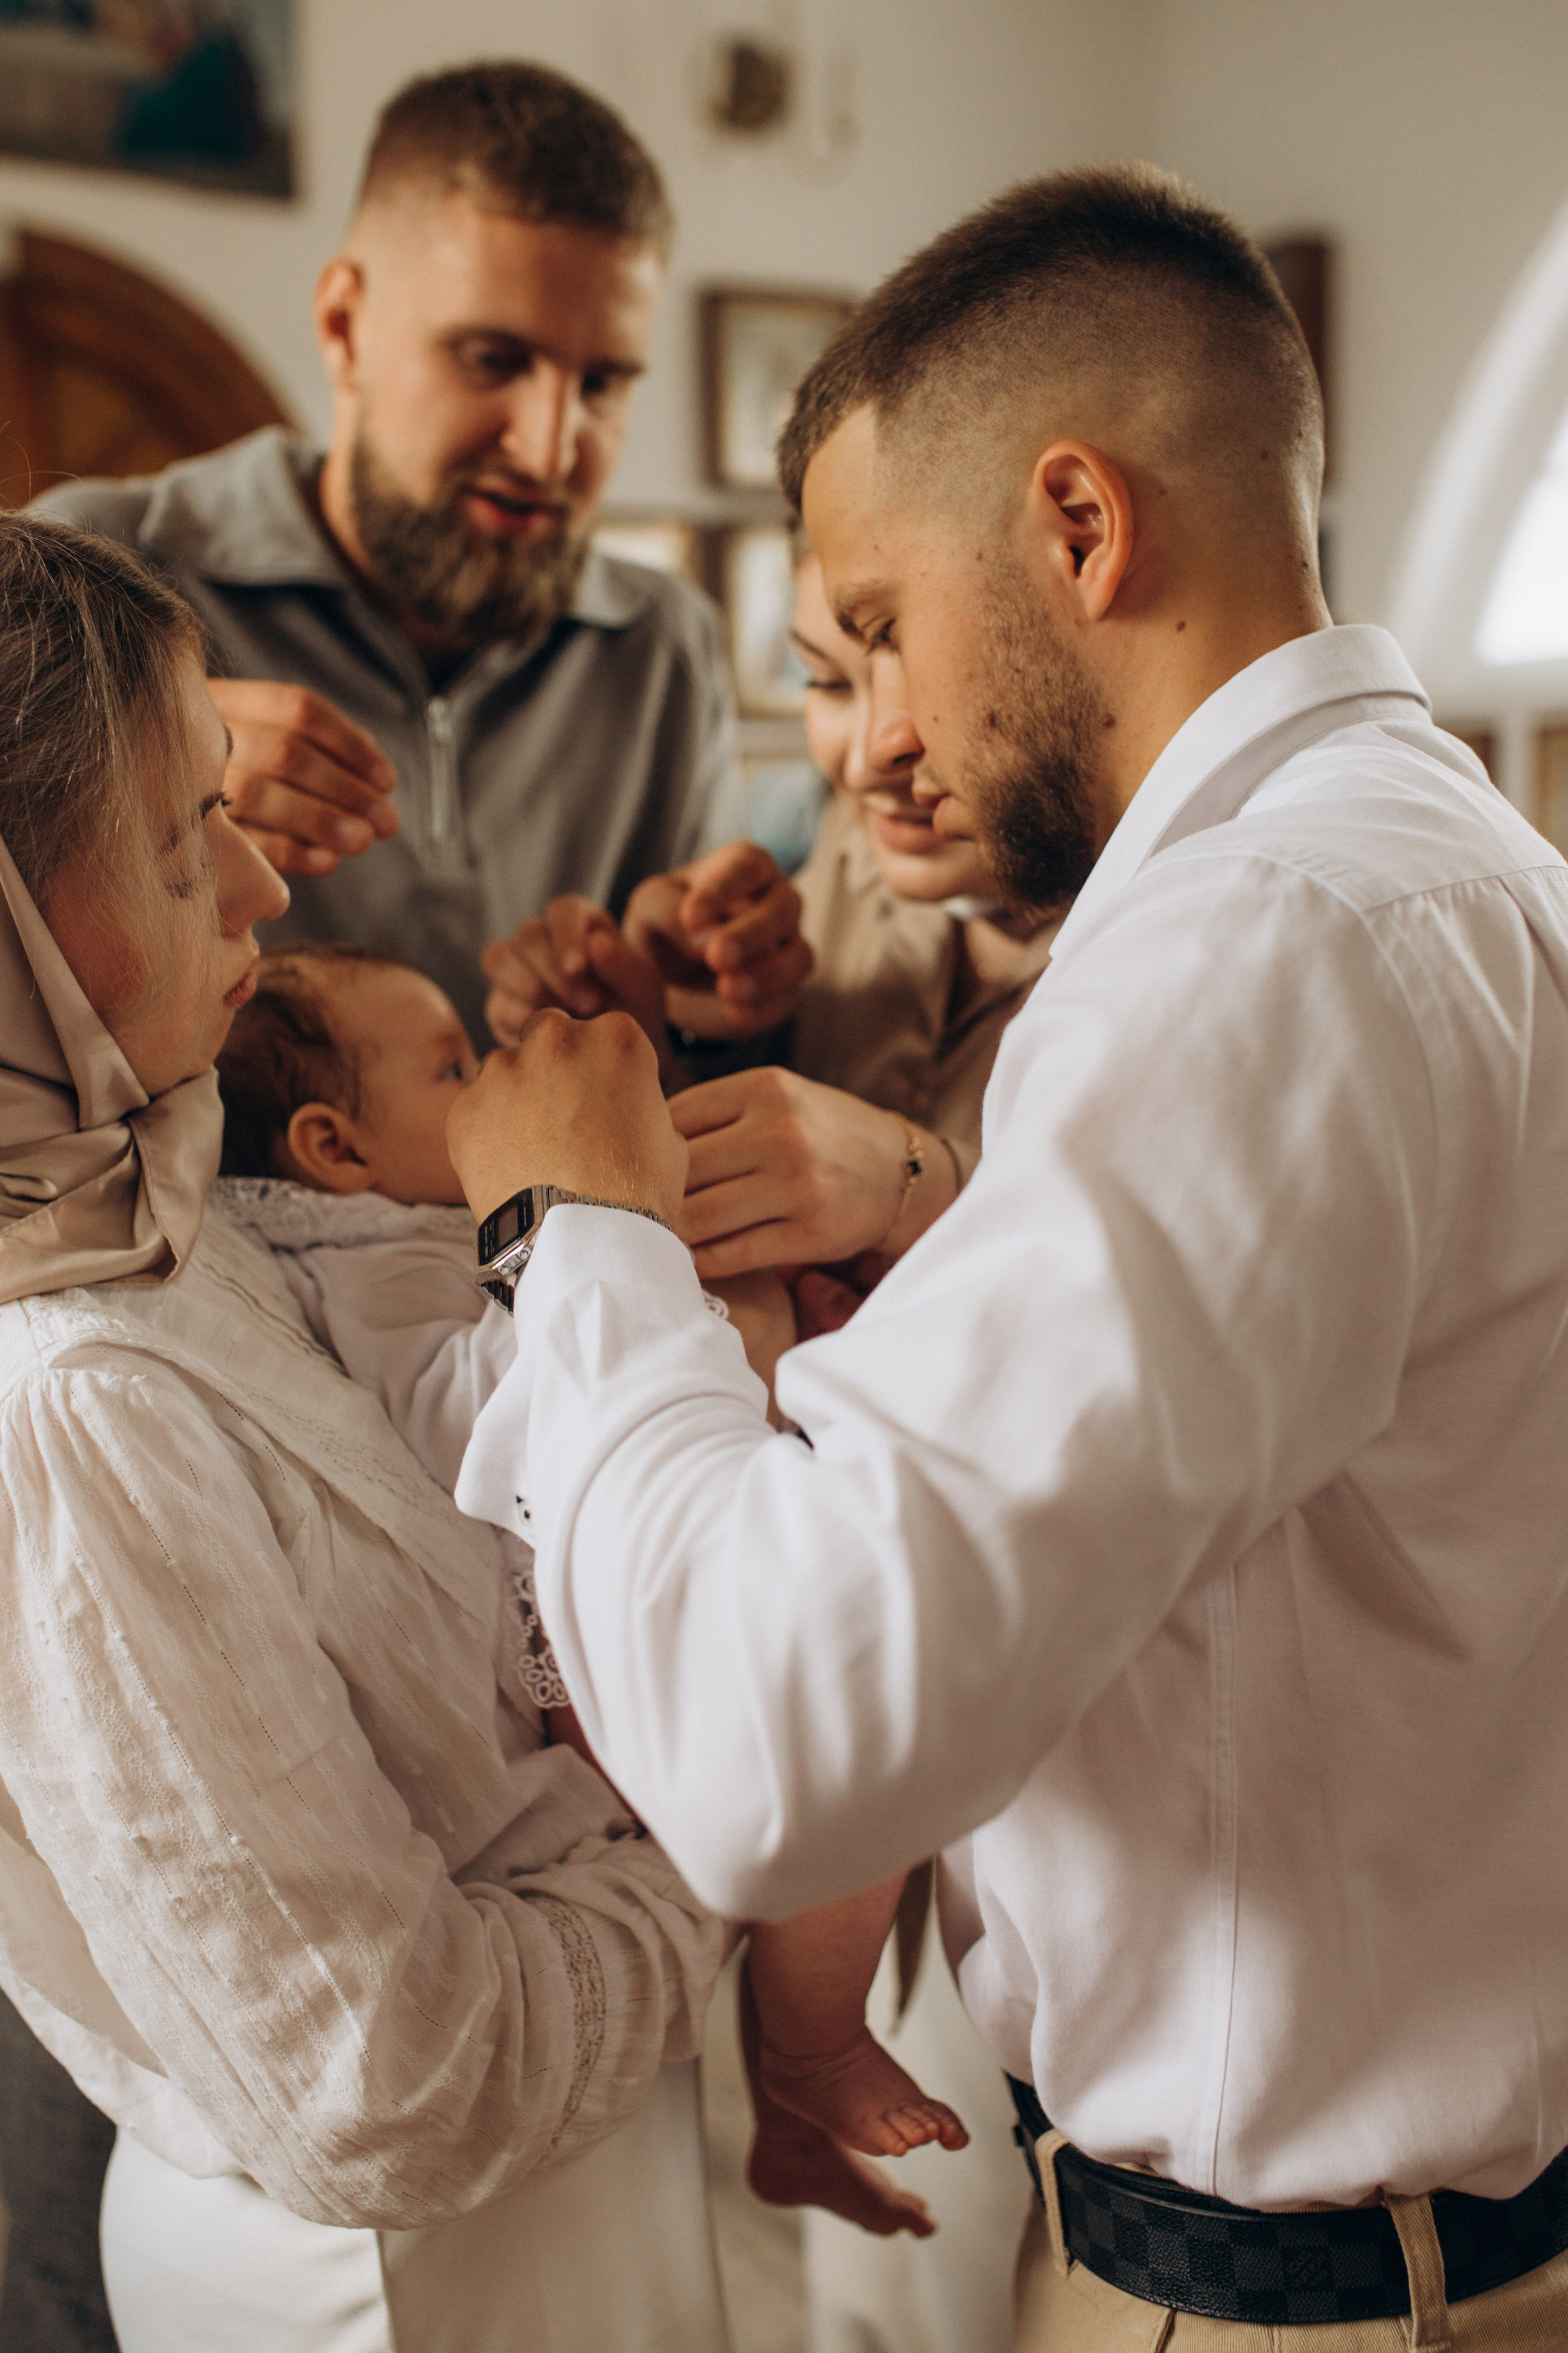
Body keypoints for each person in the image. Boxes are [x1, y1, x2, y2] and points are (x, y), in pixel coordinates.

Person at [443, 165, 1568, 2351]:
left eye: (878, 626)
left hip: (1287, 2293)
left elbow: (782, 1731)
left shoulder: (1261, 955)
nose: (876, 734)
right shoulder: (1476, 878)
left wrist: (575, 1236)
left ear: (1078, 527)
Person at [0, 513, 731, 2353]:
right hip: (402, 2276)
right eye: (182, 842)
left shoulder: (166, 1201)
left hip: (541, 2199)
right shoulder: (73, 1401)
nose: (257, 887)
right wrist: (720, 1843)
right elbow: (382, 2078)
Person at [212, 939, 963, 2240]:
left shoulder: (394, 1227)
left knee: (838, 1779)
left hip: (617, 1588)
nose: (490, 1078)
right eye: (452, 1067)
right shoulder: (362, 1264)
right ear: (333, 1148)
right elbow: (476, 1410)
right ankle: (811, 2054)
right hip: (585, 1648)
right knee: (862, 1755)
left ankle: (790, 2110)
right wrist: (598, 1245)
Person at [30, 59, 804, 1058]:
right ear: (345, 326)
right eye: (494, 360)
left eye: (604, 382)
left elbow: (689, 1093)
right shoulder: (98, 560)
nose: (549, 446)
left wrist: (677, 1002)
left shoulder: (666, 651)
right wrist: (127, 775)